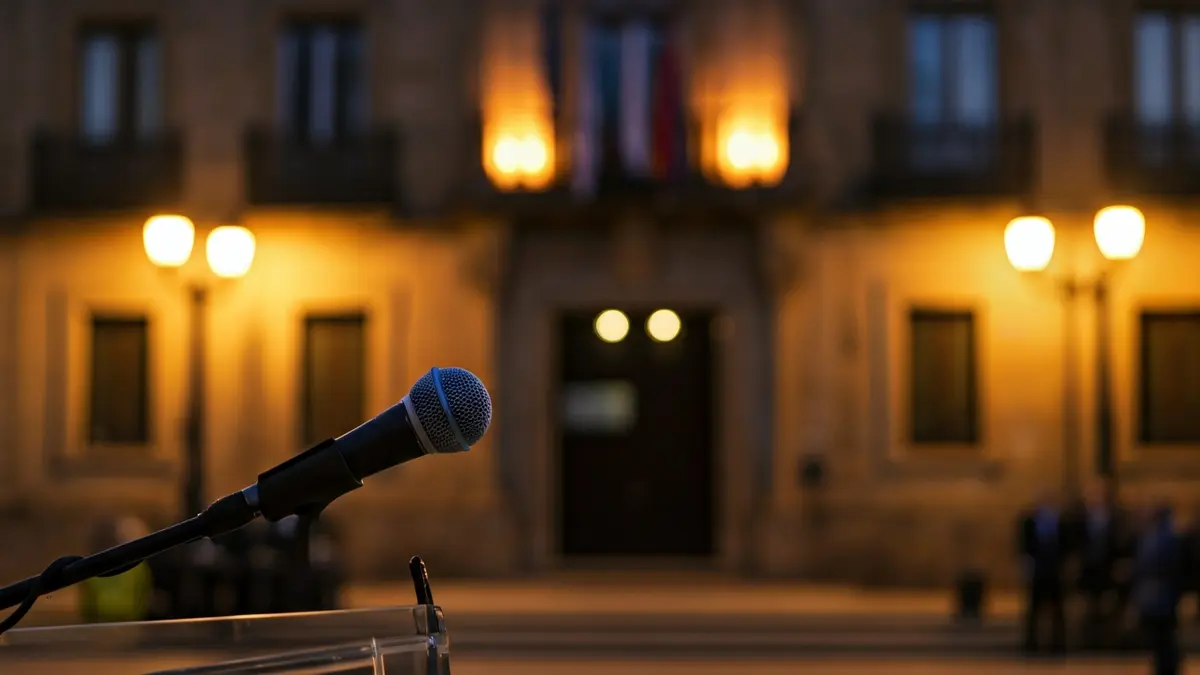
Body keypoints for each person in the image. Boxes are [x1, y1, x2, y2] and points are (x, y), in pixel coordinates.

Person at [1135, 503, 1187, 675]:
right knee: (1163, 642)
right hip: (1162, 599)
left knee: (1161, 643)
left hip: (1156, 599)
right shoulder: (1165, 538)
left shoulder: (1152, 539)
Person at [1073, 482, 1122, 648]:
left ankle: (1107, 642)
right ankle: (1087, 642)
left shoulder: (1114, 518)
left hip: (1107, 569)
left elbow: (1118, 542)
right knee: (1088, 607)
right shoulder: (1079, 518)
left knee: (1107, 607)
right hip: (1088, 569)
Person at [1019, 492, 1068, 654]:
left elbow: (1066, 546)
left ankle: (1057, 643)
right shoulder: (1029, 522)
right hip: (1037, 571)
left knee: (1057, 610)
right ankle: (1031, 643)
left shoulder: (1061, 522)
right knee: (1034, 609)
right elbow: (1024, 547)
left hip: (1055, 571)